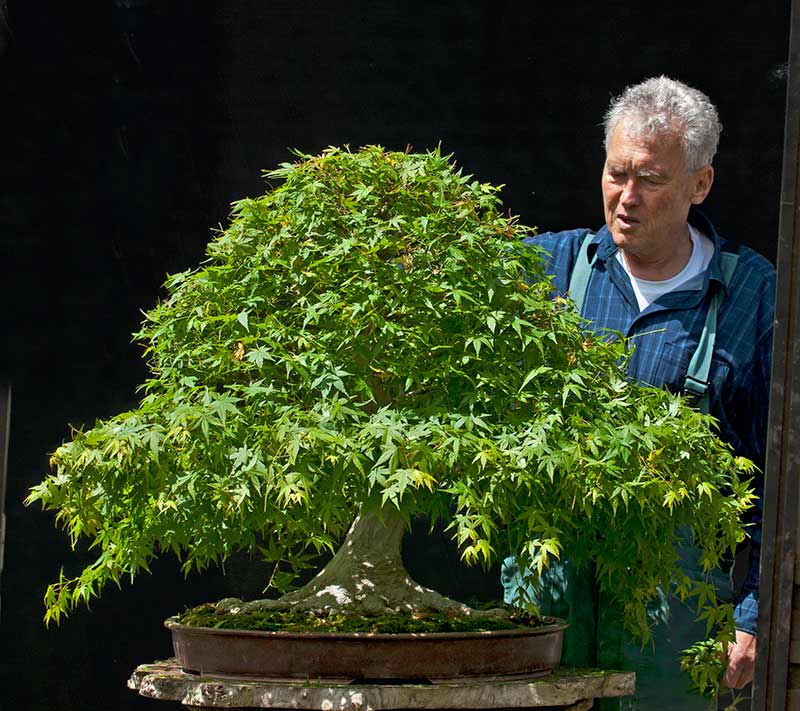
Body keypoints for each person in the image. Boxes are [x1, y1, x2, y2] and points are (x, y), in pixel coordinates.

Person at [503, 76, 775, 709]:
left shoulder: (751, 294)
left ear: (699, 184)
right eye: (615, 173)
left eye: (650, 180)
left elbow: (782, 479)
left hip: (674, 618)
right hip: (547, 600)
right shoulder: (545, 271)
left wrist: (755, 616)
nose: (626, 198)